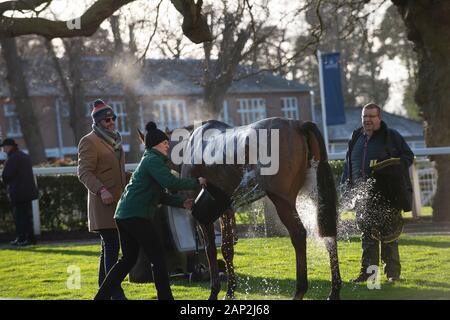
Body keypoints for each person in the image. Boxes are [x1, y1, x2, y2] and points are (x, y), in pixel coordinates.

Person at [94, 121, 207, 300]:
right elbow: (170, 183)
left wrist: (182, 202)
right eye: (165, 143)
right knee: (157, 257)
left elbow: (160, 195)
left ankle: (101, 297)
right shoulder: (153, 160)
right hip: (135, 216)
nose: (168, 145)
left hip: (124, 215)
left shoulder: (150, 160)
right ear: (155, 145)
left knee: (127, 260)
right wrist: (196, 182)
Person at [341, 103, 414, 283]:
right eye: (365, 117)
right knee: (368, 238)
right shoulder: (356, 136)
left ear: (379, 118)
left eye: (371, 116)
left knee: (389, 237)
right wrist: (345, 184)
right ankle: (369, 274)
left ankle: (393, 275)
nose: (367, 120)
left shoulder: (391, 136)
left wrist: (390, 167)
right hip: (363, 197)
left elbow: (408, 157)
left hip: (387, 194)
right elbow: (348, 163)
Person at [78, 99, 129, 300]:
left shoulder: (115, 140)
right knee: (112, 244)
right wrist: (101, 190)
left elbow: (118, 172)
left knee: (108, 246)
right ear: (98, 122)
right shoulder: (89, 141)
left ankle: (103, 290)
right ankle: (115, 292)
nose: (111, 122)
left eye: (113, 118)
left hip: (118, 202)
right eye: (107, 120)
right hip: (103, 203)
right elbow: (84, 172)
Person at [1, 138, 38, 246]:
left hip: (18, 192)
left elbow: (6, 175)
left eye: (4, 147)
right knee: (26, 217)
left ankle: (22, 238)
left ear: (9, 147)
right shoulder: (23, 156)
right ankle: (29, 238)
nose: (3, 150)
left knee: (20, 217)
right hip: (27, 191)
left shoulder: (13, 158)